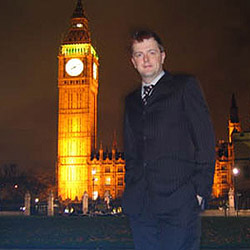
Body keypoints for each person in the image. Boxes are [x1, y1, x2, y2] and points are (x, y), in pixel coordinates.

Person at [122, 30, 215, 250]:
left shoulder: (184, 86)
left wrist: (199, 191)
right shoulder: (131, 101)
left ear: (163, 56)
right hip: (141, 205)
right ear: (133, 61)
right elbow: (132, 151)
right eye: (139, 54)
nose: (146, 59)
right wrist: (131, 185)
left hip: (179, 202)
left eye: (151, 52)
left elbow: (205, 140)